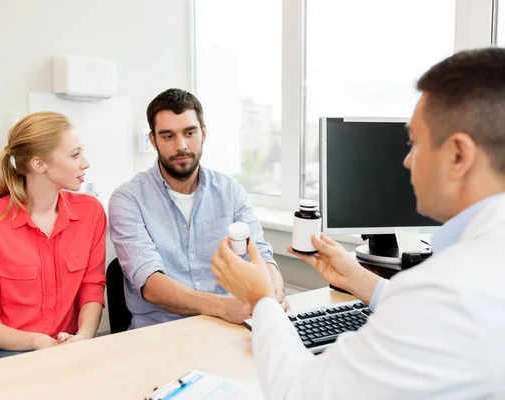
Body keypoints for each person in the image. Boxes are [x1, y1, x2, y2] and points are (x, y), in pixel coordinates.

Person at [211, 47, 505, 399]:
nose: (407, 161)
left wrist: (261, 301)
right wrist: (361, 280)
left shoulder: (449, 289)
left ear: (458, 155)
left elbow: (301, 393)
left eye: (413, 143)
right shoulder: (481, 265)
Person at [108, 88, 287, 329]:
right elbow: (151, 286)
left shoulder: (230, 191)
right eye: (168, 136)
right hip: (161, 334)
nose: (181, 146)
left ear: (203, 133)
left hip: (228, 328)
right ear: (153, 140)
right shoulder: (128, 199)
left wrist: (273, 291)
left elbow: (261, 255)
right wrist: (224, 307)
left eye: (189, 133)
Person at [0, 112, 106, 366]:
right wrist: (38, 343)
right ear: (39, 165)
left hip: (62, 349)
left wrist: (82, 338)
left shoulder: (91, 212)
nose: (85, 163)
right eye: (75, 154)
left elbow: (92, 287)